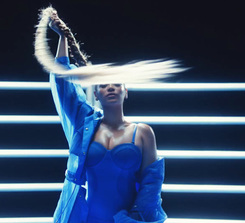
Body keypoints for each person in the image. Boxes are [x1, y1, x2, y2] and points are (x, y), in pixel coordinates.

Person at [36, 8, 167, 223]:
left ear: (126, 91)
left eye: (117, 84)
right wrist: (62, 38)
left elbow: (151, 186)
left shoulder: (143, 132)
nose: (111, 88)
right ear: (96, 93)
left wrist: (133, 220)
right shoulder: (85, 125)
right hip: (84, 218)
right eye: (104, 85)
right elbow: (63, 87)